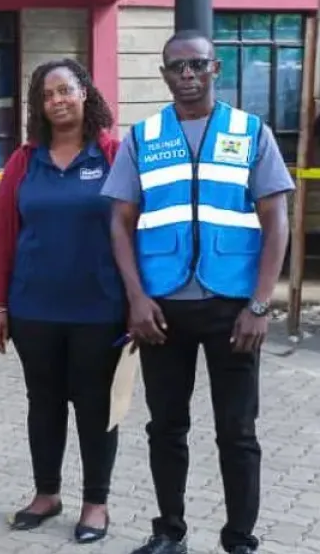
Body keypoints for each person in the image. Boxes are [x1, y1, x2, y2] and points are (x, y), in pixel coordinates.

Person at [103, 30, 293, 554]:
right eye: (177, 66)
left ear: (216, 69)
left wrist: (261, 304)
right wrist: (136, 299)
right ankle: (170, 532)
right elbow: (120, 223)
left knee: (237, 431)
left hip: (234, 309)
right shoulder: (144, 137)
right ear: (164, 74)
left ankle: (239, 539)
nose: (187, 74)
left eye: (197, 64)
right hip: (162, 310)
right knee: (166, 427)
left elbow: (277, 221)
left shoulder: (250, 132)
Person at [0, 59, 124, 544]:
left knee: (94, 406)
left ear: (84, 92)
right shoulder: (25, 161)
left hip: (100, 310)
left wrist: (139, 303)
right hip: (34, 310)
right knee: (43, 404)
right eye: (47, 95)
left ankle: (95, 502)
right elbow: (4, 238)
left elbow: (134, 232)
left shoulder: (113, 155)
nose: (57, 101)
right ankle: (47, 494)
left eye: (65, 90)